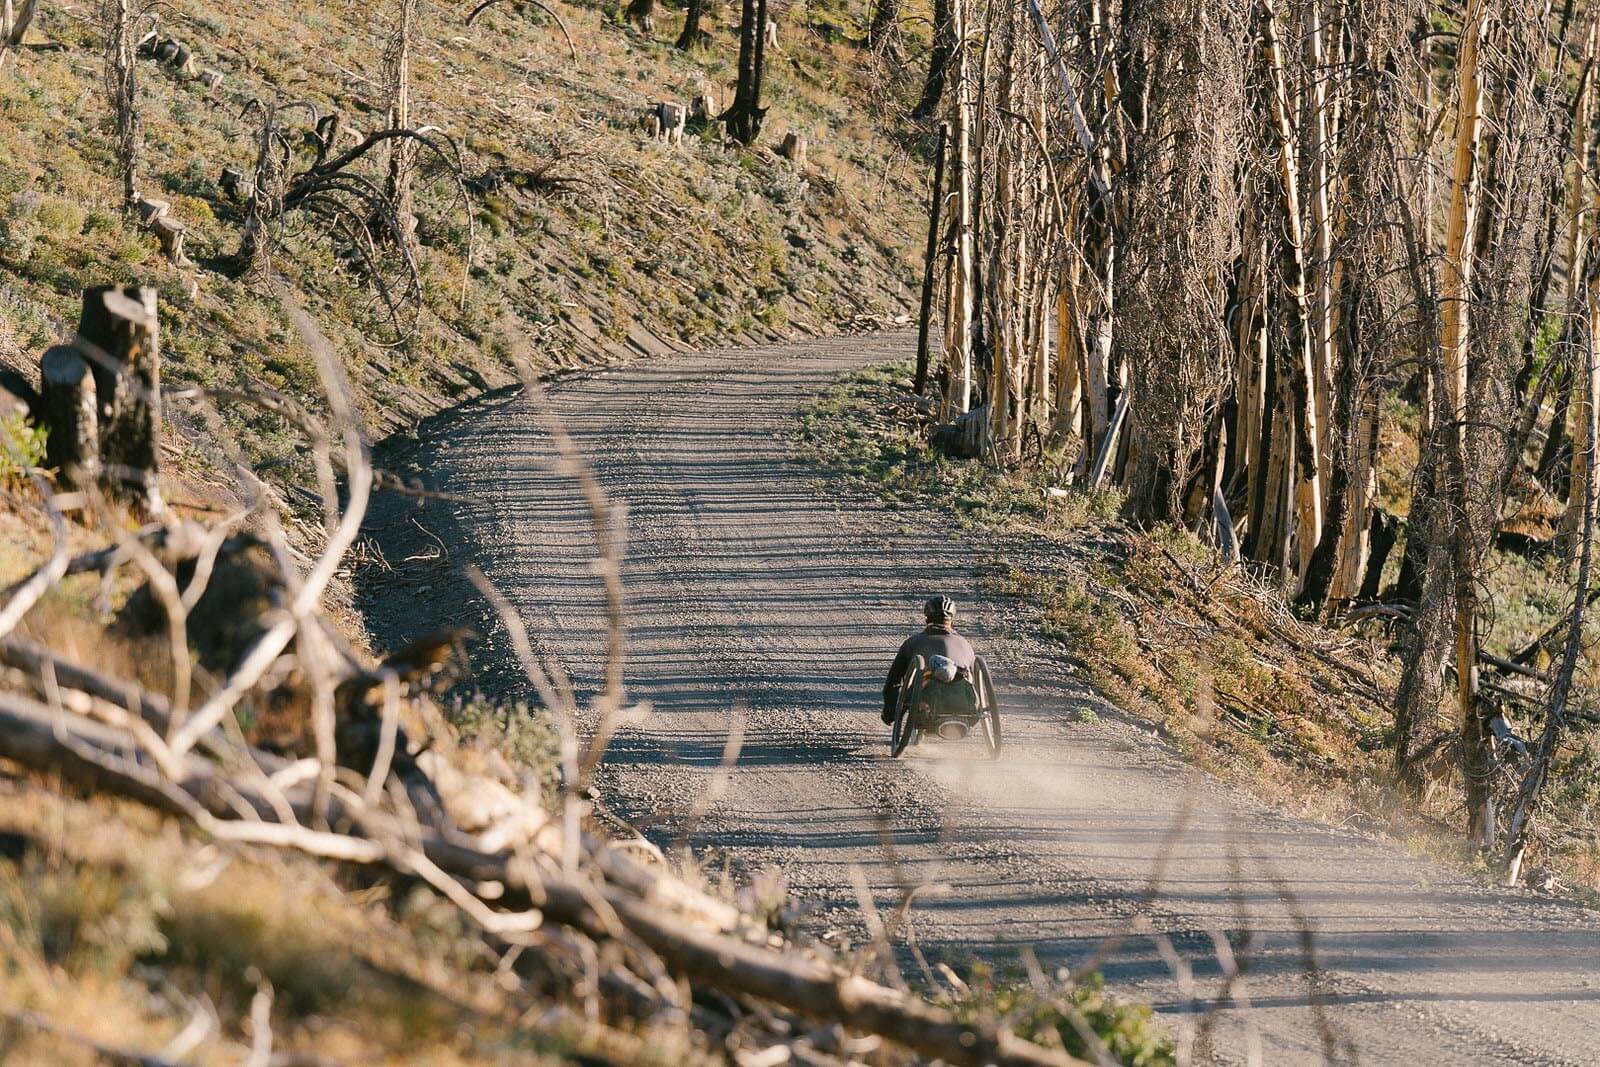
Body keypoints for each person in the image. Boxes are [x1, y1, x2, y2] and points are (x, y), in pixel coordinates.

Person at [882, 595, 976, 724]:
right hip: (963, 702)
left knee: (917, 678)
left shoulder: (913, 642)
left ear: (927, 619)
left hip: (927, 704)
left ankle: (924, 710)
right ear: (952, 620)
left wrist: (890, 714)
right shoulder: (965, 644)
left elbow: (893, 682)